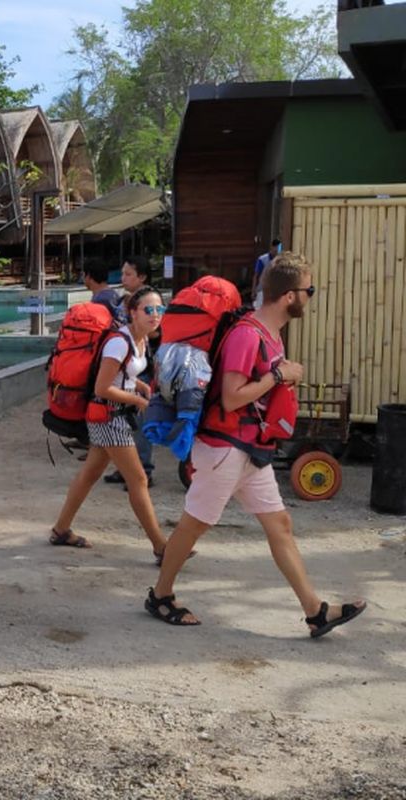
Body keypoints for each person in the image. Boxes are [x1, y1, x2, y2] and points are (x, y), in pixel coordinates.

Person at [146, 252, 366, 637]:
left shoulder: (270, 333)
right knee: (194, 525)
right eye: (308, 290)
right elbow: (232, 397)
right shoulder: (248, 334)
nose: (310, 297)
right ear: (288, 297)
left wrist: (279, 378)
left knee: (279, 524)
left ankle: (315, 612)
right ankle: (161, 595)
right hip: (224, 447)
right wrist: (279, 375)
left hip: (250, 447)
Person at [50, 286, 171, 562]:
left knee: (89, 474)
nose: (155, 315)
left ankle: (60, 530)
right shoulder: (119, 342)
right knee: (139, 478)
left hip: (112, 415)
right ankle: (161, 547)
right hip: (108, 416)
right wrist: (136, 400)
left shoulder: (139, 340)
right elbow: (102, 387)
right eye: (148, 310)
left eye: (159, 309)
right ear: (133, 312)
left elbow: (122, 373)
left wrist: (137, 384)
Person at [105, 256, 157, 487]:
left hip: (138, 367)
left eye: (128, 274)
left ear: (142, 277)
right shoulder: (127, 301)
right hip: (128, 369)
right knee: (127, 424)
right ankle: (127, 468)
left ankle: (142, 469)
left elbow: (155, 332)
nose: (123, 278)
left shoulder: (147, 302)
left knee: (140, 424)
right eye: (123, 273)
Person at [251, 239, 280, 309]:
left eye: (278, 249)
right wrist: (253, 290)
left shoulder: (280, 260)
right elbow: (256, 275)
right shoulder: (262, 259)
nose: (276, 251)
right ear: (272, 247)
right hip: (262, 290)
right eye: (275, 248)